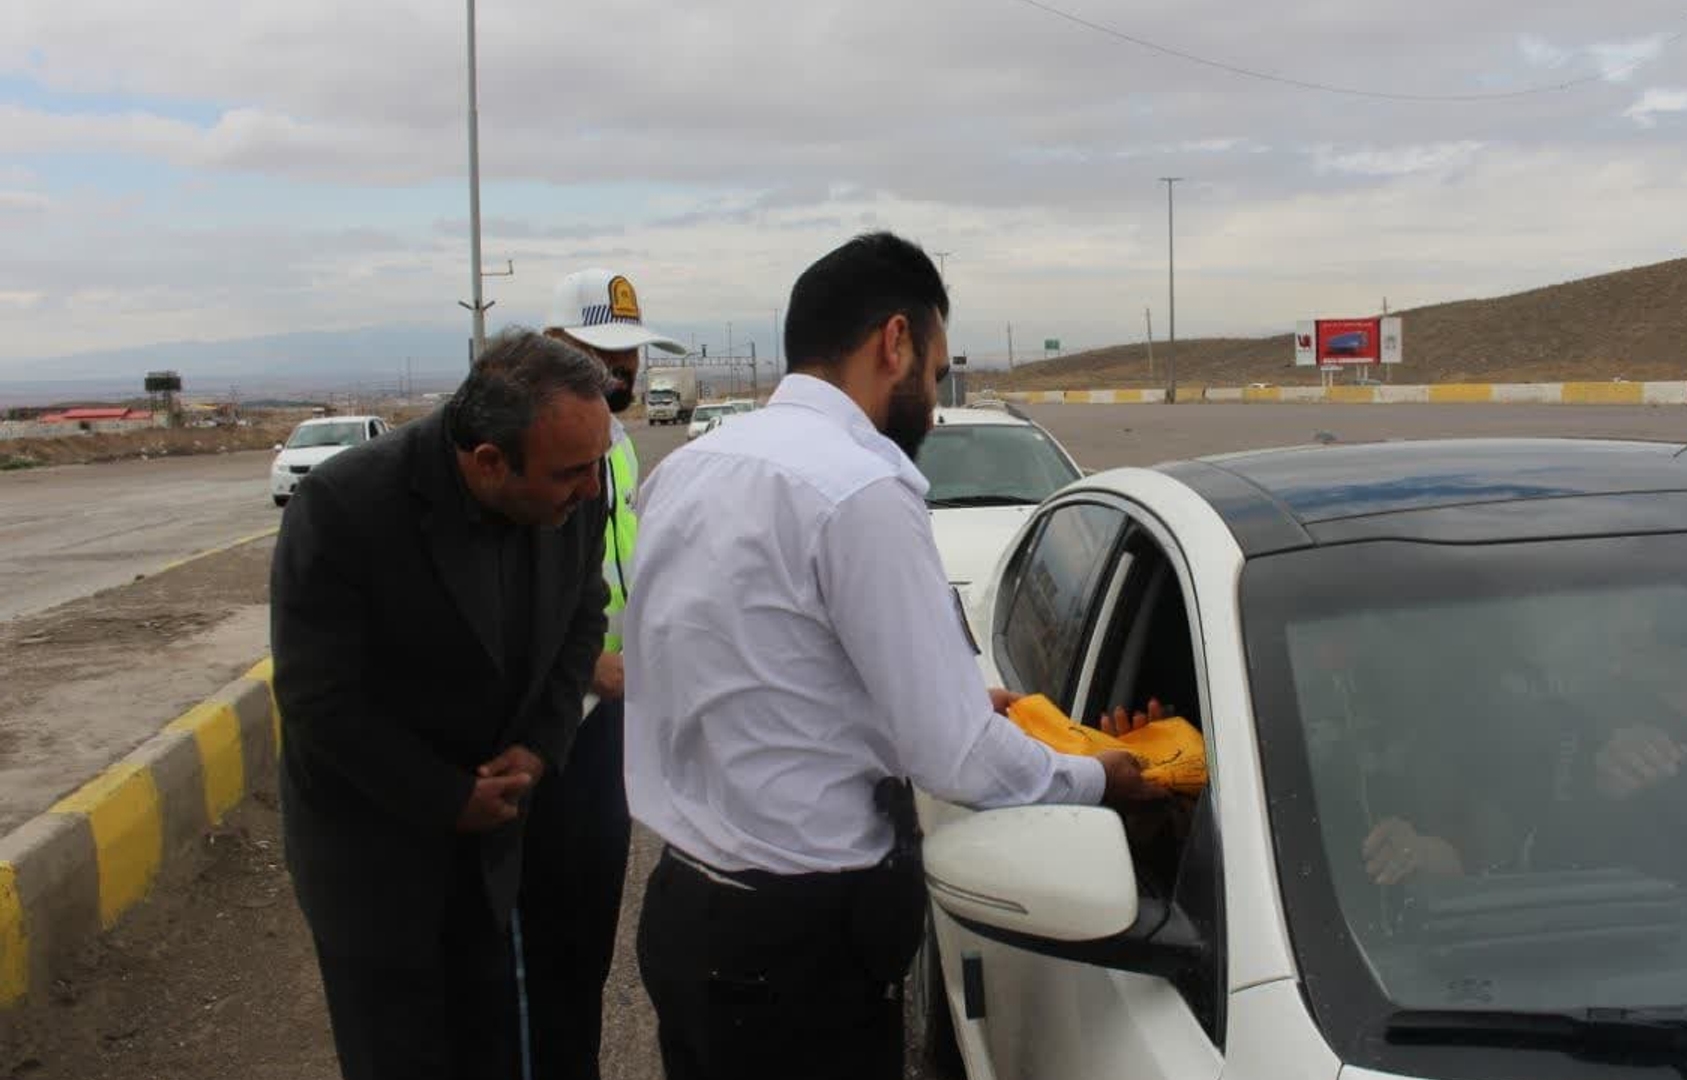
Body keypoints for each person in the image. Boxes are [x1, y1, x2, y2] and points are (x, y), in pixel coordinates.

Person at [622, 232, 1165, 1080]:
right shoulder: (862, 489)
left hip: (688, 914)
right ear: (896, 341)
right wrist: (1105, 778)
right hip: (799, 948)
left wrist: (904, 705)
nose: (936, 403)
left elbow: (756, 671)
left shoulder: (690, 471)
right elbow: (950, 754)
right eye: (938, 371)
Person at [270, 331, 613, 1080]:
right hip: (376, 858)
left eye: (594, 468)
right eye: (571, 474)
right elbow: (316, 696)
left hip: (496, 857)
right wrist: (448, 797)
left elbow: (583, 615)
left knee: (493, 1046)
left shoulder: (579, 484)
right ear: (489, 462)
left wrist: (542, 742)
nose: (591, 489)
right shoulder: (345, 508)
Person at [520, 268, 686, 1080]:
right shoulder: (521, 447)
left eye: (628, 357)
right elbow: (498, 600)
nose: (622, 374)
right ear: (554, 348)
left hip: (605, 729)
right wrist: (590, 665)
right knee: (536, 952)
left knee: (585, 937)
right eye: (602, 356)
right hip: (542, 726)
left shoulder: (615, 445)